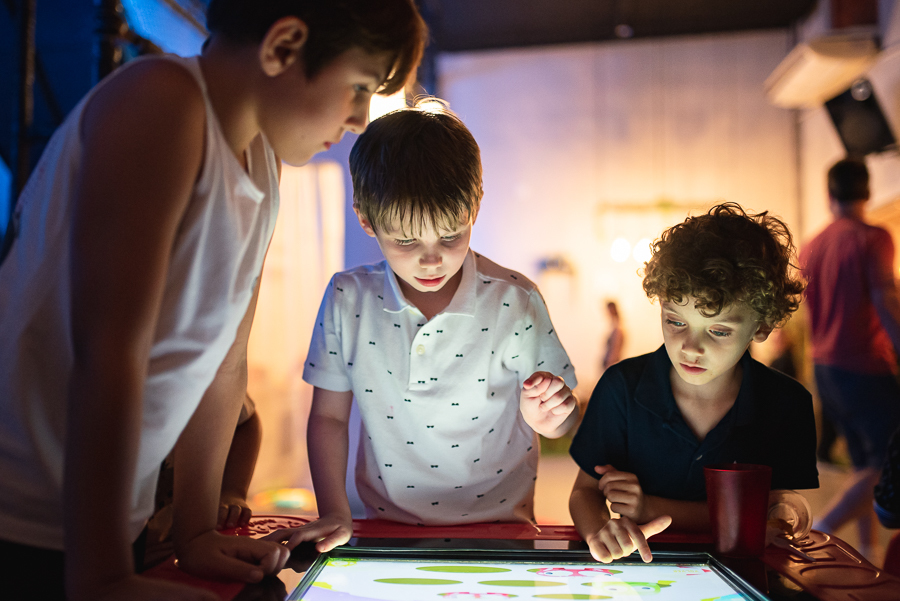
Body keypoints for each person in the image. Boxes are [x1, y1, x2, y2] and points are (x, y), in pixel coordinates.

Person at [0, 1, 427, 599]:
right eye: (358, 87)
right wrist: (100, 576)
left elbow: (224, 359)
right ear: (283, 46)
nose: (359, 118)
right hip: (28, 523)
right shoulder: (161, 102)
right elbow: (109, 351)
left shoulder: (262, 162)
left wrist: (197, 528)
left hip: (109, 528)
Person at [270, 103, 578, 552]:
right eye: (407, 241)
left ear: (475, 207)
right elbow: (329, 417)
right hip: (382, 528)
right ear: (365, 219)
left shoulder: (515, 300)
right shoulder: (347, 299)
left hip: (501, 533)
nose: (431, 259)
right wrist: (334, 512)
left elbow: (561, 423)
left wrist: (549, 417)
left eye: (451, 236)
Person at [569, 203, 818, 564]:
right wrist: (599, 531)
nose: (690, 347)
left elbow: (779, 512)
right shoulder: (621, 388)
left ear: (762, 326)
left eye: (717, 330)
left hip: (745, 574)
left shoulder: (786, 403)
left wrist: (649, 507)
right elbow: (584, 492)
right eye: (675, 321)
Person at [801, 158, 900, 557]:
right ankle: (820, 533)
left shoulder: (813, 244)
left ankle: (864, 552)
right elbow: (885, 298)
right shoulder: (873, 237)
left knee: (864, 465)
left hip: (824, 367)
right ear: (868, 191)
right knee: (886, 463)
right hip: (863, 365)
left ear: (829, 194)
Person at [601, 300, 625, 372]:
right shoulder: (614, 326)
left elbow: (615, 351)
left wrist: (609, 364)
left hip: (611, 364)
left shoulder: (617, 329)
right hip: (610, 364)